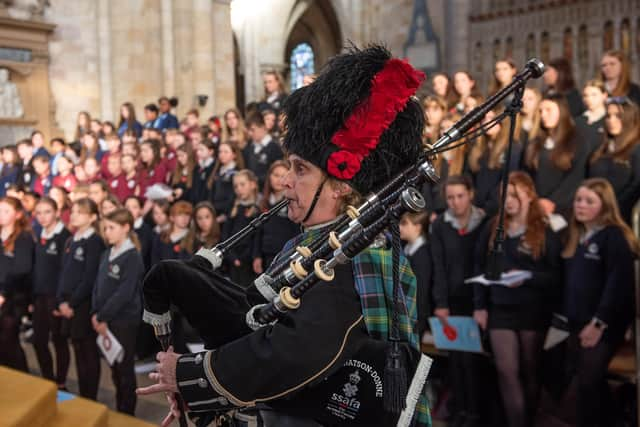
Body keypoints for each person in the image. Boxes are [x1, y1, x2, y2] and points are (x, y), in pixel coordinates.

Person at [137, 45, 431, 427]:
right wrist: (199, 394)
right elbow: (254, 322)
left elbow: (301, 350)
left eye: (300, 169)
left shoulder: (363, 253)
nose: (285, 181)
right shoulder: (304, 243)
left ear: (341, 184)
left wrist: (192, 374)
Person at [473, 171, 562, 427]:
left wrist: (528, 277)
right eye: (504, 196)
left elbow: (556, 276)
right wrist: (480, 305)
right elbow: (478, 265)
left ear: (529, 195)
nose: (508, 201)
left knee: (530, 369)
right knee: (506, 370)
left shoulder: (544, 229)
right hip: (500, 307)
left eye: (514, 195)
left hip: (532, 309)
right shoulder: (493, 226)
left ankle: (531, 419)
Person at [561, 178, 639, 427]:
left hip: (602, 324)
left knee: (588, 381)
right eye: (578, 200)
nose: (580, 205)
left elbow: (618, 286)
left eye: (589, 201)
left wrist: (599, 323)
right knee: (580, 379)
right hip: (575, 320)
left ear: (604, 206)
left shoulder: (614, 236)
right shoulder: (577, 235)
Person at [431, 175, 487, 427]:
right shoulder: (441, 225)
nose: (455, 202)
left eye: (460, 196)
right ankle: (461, 410)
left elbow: (484, 264)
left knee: (473, 360)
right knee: (456, 359)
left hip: (477, 301)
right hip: (451, 300)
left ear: (471, 194)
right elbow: (439, 266)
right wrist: (440, 302)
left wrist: (481, 305)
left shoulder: (484, 222)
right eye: (450, 197)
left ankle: (475, 412)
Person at [92, 208, 144, 415]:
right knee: (113, 366)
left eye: (112, 228)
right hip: (105, 318)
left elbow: (124, 293)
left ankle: (127, 411)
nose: (107, 233)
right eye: (105, 228)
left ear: (126, 228)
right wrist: (96, 313)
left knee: (124, 368)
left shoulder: (132, 257)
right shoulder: (107, 252)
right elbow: (98, 285)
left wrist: (102, 316)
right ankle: (119, 404)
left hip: (123, 321)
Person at [57, 198, 105, 400]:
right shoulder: (72, 238)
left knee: (88, 351)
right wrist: (61, 300)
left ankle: (90, 395)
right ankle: (84, 394)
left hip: (82, 304)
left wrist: (72, 303)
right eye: (73, 211)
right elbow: (64, 272)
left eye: (79, 212)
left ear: (92, 217)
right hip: (68, 303)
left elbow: (89, 278)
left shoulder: (94, 241)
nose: (73, 215)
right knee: (76, 348)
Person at [524, 93, 588, 216]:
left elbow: (576, 177)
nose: (543, 115)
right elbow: (528, 174)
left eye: (548, 110)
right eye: (541, 111)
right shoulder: (535, 142)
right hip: (535, 206)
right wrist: (535, 200)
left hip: (564, 208)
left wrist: (553, 201)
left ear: (561, 111)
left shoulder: (577, 141)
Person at [32, 197, 71, 389]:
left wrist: (60, 300)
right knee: (38, 341)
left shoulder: (65, 236)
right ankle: (48, 380)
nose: (42, 217)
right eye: (38, 213)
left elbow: (66, 272)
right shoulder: (39, 233)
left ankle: (61, 382)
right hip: (39, 297)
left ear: (57, 212)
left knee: (59, 341)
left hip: (55, 297)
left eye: (47, 211)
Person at [587, 96, 640, 222]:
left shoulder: (636, 149)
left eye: (617, 116)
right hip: (595, 215)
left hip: (621, 217)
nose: (611, 120)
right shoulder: (601, 148)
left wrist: (611, 207)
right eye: (608, 116)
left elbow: (636, 185)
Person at [0, 196, 34, 372]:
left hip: (14, 298)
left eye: (6, 211)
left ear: (18, 214)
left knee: (9, 339)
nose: (1, 214)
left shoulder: (23, 238)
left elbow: (22, 269)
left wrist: (3, 293)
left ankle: (22, 377)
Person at [252, 161, 298, 274]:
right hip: (267, 255)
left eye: (283, 176)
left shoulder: (292, 202)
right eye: (275, 175)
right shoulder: (264, 202)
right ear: (269, 177)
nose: (278, 179)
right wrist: (256, 256)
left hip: (286, 256)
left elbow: (296, 232)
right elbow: (259, 232)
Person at [221, 169, 260, 286]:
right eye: (236, 186)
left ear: (253, 184)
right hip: (233, 258)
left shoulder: (257, 209)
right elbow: (226, 235)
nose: (239, 189)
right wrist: (232, 257)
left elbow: (256, 237)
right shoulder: (234, 209)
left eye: (242, 184)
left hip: (249, 261)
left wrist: (251, 257)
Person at [399, 210, 431, 336]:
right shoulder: (407, 249)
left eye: (404, 224)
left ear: (418, 227)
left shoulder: (423, 254)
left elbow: (421, 290)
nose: (399, 227)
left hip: (415, 315)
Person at [243, 113, 284, 189]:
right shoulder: (248, 148)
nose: (250, 133)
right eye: (248, 130)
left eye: (252, 130)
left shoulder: (274, 148)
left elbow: (278, 172)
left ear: (262, 127)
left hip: (267, 190)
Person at [208, 140, 242, 224]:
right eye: (220, 152)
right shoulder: (217, 170)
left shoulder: (237, 173)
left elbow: (234, 197)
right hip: (214, 211)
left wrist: (226, 214)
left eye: (226, 152)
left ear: (234, 154)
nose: (222, 155)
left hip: (226, 215)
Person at [575, 80, 608, 156]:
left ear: (604, 95)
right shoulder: (577, 121)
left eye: (594, 95)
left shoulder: (609, 120)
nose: (589, 99)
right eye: (585, 95)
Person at [190, 140, 216, 205]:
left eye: (201, 150)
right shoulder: (197, 167)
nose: (198, 153)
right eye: (197, 150)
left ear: (211, 151)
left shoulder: (214, 167)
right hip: (195, 202)